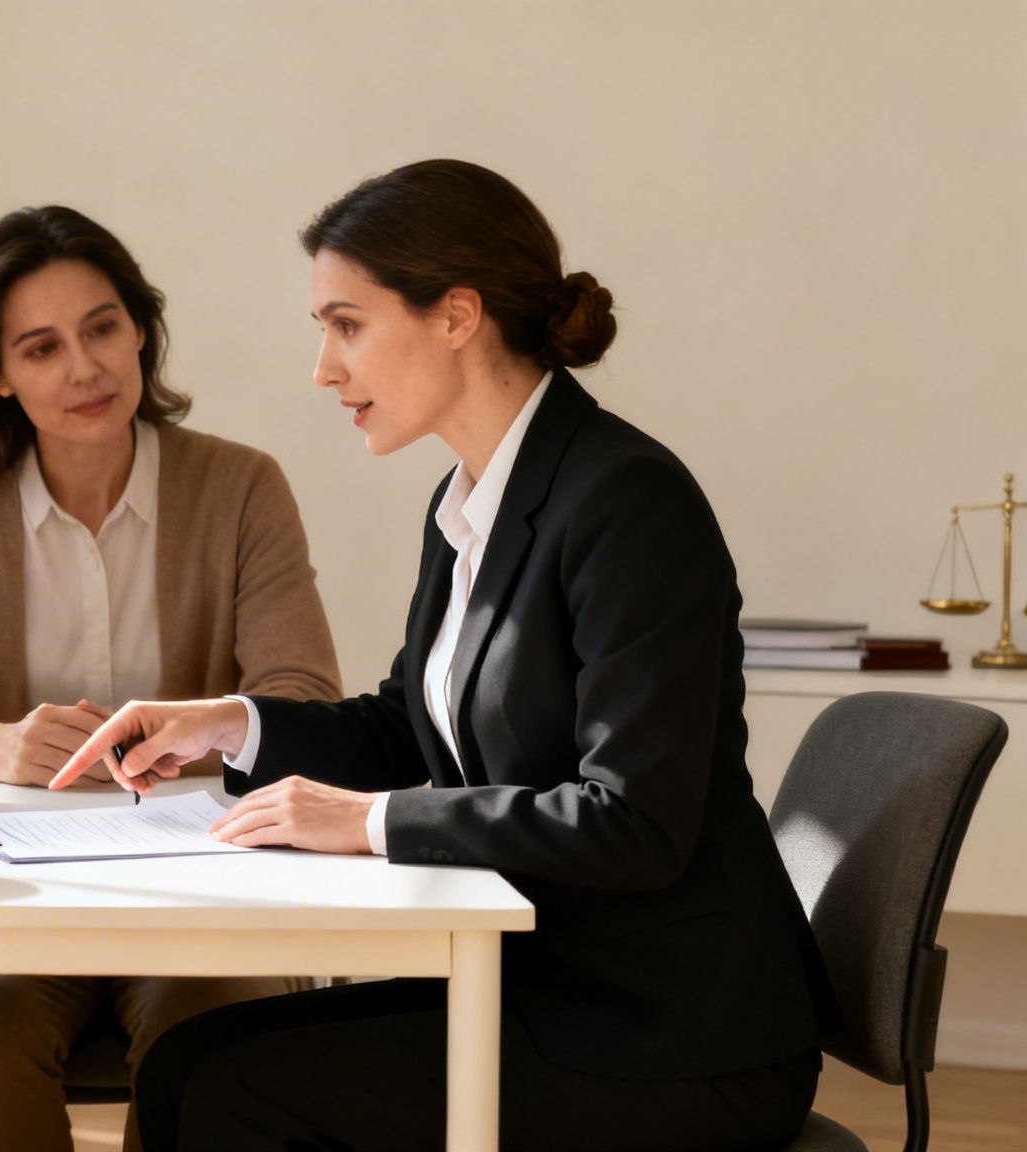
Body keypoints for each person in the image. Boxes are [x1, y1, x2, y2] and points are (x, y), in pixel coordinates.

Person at [50, 160, 840, 1152]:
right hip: (542, 990)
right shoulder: (467, 500)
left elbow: (633, 823)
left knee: (230, 1096)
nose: (323, 368)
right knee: (179, 1067)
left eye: (346, 325)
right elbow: (407, 725)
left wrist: (368, 822)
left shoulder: (626, 502)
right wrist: (228, 722)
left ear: (455, 315)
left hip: (666, 1039)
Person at [0, 205, 342, 1152]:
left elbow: (306, 699)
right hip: (8, 900)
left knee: (214, 1051)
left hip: (204, 888)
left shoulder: (242, 489)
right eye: (40, 347)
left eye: (103, 327)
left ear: (141, 331)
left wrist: (207, 726)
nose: (84, 368)